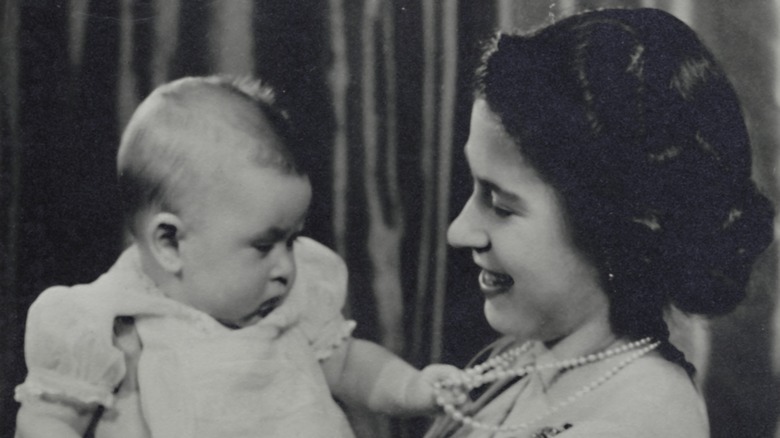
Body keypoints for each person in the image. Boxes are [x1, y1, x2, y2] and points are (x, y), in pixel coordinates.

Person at [14, 75, 458, 438]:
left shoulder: (296, 298)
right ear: (170, 244)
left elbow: (347, 363)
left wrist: (412, 387)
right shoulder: (105, 321)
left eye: (292, 241)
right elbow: (49, 420)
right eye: (265, 246)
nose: (286, 267)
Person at [426, 7, 775, 438]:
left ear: (611, 229)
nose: (458, 231)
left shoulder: (636, 421)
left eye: (500, 205)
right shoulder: (530, 355)